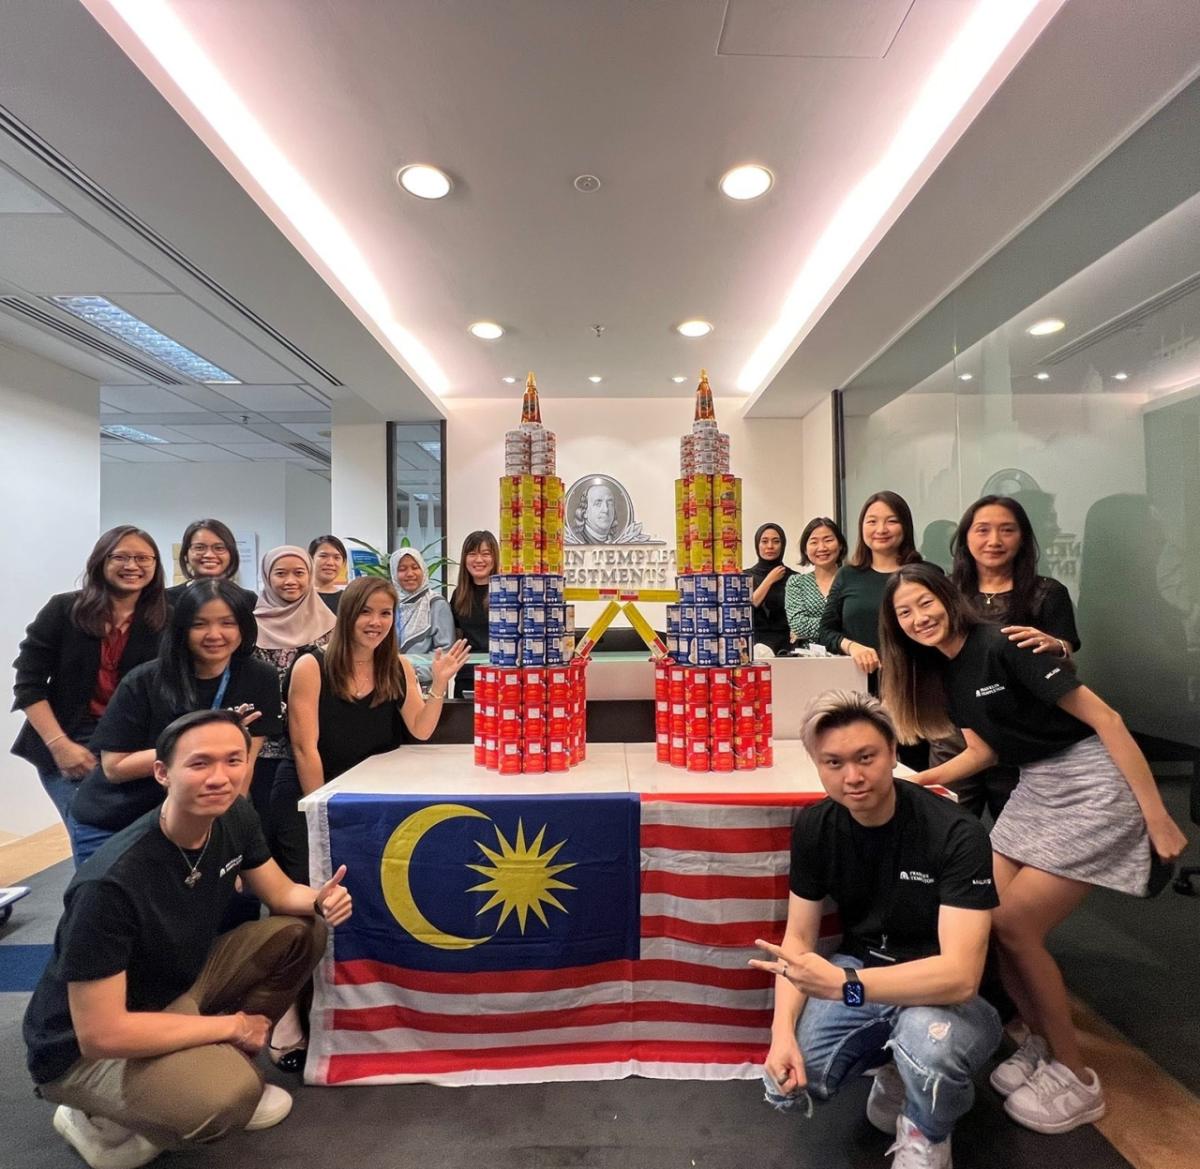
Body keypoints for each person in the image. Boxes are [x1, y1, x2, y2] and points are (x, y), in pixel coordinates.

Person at [879, 563, 1188, 1133]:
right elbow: (984, 753)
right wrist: (911, 781)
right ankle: (1042, 1042)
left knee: (1017, 928)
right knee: (984, 915)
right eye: (904, 613)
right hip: (1037, 784)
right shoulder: (946, 671)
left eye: (925, 603)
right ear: (895, 627)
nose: (919, 618)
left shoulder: (1006, 643)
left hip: (1095, 784)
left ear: (948, 597)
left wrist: (1157, 816)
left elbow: (1109, 720)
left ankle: (1077, 1076)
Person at [24, 708, 352, 1169]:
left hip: (174, 989)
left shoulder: (234, 815)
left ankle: (201, 1065)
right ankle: (90, 1114)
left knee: (301, 932)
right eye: (200, 763)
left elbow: (280, 893)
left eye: (233, 760)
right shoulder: (110, 884)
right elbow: (101, 1032)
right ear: (163, 772)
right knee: (225, 1102)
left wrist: (320, 899)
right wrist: (233, 1026)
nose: (220, 777)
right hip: (79, 1048)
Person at [753, 690, 1000, 1169]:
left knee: (931, 1050)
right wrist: (781, 1033)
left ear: (892, 753)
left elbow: (962, 976)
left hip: (944, 992)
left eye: (866, 757)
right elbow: (799, 942)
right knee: (792, 1082)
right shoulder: (816, 826)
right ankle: (895, 1066)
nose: (853, 777)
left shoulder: (955, 833)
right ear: (817, 766)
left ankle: (927, 1130)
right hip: (864, 979)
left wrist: (845, 984)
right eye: (834, 762)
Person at [68, 580, 281, 864]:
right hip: (119, 821)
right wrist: (197, 748)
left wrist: (233, 837)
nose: (215, 634)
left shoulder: (259, 678)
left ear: (243, 626)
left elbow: (243, 769)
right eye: (200, 624)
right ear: (182, 629)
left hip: (194, 823)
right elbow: (114, 767)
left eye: (227, 623)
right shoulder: (146, 680)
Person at [273, 575, 471, 881]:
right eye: (365, 612)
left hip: (364, 796)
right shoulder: (311, 666)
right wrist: (320, 810)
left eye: (385, 613)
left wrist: (440, 684)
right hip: (312, 793)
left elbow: (421, 729)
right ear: (348, 613)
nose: (375, 622)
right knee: (311, 893)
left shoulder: (398, 666)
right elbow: (304, 748)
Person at [11, 527, 168, 857]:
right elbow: (29, 683)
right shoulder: (64, 610)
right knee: (94, 841)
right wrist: (60, 745)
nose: (132, 565)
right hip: (70, 740)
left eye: (143, 558)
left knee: (135, 845)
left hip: (135, 744)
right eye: (121, 557)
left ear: (155, 565)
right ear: (101, 561)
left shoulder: (165, 618)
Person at [938, 495, 1081, 818]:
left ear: (1023, 537)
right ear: (966, 537)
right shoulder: (945, 592)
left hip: (1018, 736)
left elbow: (1067, 650)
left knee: (1021, 832)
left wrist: (1055, 645)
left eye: (1007, 530)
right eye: (983, 530)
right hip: (955, 734)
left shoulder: (1048, 592)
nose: (994, 540)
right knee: (949, 830)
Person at [249, 546, 336, 827]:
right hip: (263, 747)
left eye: (299, 573)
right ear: (266, 576)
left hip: (316, 741)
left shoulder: (330, 625)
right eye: (280, 573)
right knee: (268, 821)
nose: (290, 581)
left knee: (307, 823)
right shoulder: (250, 625)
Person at [818, 491, 921, 687]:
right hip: (858, 683)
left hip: (913, 684)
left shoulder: (924, 574)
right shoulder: (847, 575)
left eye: (891, 521)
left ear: (905, 526)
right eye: (872, 521)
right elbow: (825, 631)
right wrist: (852, 647)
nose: (881, 529)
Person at [391, 547, 455, 687]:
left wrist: (413, 673)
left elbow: (445, 649)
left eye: (415, 567)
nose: (410, 574)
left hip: (425, 685)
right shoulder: (389, 603)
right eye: (402, 569)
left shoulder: (436, 604)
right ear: (394, 573)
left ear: (423, 570)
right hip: (389, 683)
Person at [164, 519, 257, 609]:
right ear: (186, 554)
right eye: (199, 548)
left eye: (219, 548)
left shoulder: (248, 599)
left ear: (231, 554)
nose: (209, 555)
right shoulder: (166, 598)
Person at [784, 517, 847, 646]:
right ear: (805, 550)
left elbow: (859, 622)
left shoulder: (852, 580)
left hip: (850, 655)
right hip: (809, 660)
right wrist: (840, 625)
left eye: (828, 540)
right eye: (814, 542)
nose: (822, 547)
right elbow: (798, 625)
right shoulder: (797, 583)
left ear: (840, 544)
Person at [449, 530, 498, 694]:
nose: (479, 560)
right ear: (464, 559)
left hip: (500, 675)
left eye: (485, 554)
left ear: (495, 558)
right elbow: (454, 638)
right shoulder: (459, 595)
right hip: (466, 677)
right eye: (472, 554)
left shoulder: (506, 592)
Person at [746, 523, 795, 655]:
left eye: (776, 541)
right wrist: (769, 580)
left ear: (783, 545)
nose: (770, 546)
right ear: (757, 544)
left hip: (786, 647)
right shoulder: (744, 576)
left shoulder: (794, 577)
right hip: (753, 646)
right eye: (764, 541)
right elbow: (746, 609)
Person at [308, 535, 348, 614]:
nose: (330, 563)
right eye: (323, 556)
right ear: (311, 559)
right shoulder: (299, 595)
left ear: (343, 563)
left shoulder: (347, 599)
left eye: (337, 558)